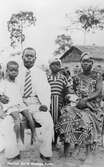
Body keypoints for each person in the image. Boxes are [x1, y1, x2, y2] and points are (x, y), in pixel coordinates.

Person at [56, 52, 104, 157]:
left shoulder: (97, 76)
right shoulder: (76, 77)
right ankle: (67, 150)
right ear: (80, 63)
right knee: (66, 116)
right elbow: (71, 90)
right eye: (83, 61)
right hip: (77, 104)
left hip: (92, 105)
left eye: (88, 61)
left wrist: (86, 99)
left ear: (92, 63)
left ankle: (89, 154)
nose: (86, 63)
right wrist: (71, 96)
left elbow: (98, 91)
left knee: (87, 120)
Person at [17, 47, 53, 160]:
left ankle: (45, 152)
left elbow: (46, 90)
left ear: (35, 58)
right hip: (19, 103)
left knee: (48, 122)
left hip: (35, 103)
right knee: (10, 121)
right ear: (22, 57)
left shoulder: (41, 73)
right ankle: (13, 150)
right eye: (26, 55)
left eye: (31, 56)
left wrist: (45, 105)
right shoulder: (16, 71)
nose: (29, 58)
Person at [48, 58, 72, 146]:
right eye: (53, 64)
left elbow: (68, 89)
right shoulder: (47, 77)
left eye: (58, 64)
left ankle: (56, 140)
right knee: (50, 122)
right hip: (49, 103)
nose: (56, 66)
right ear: (50, 66)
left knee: (58, 122)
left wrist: (68, 95)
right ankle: (51, 142)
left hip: (60, 102)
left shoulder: (63, 77)